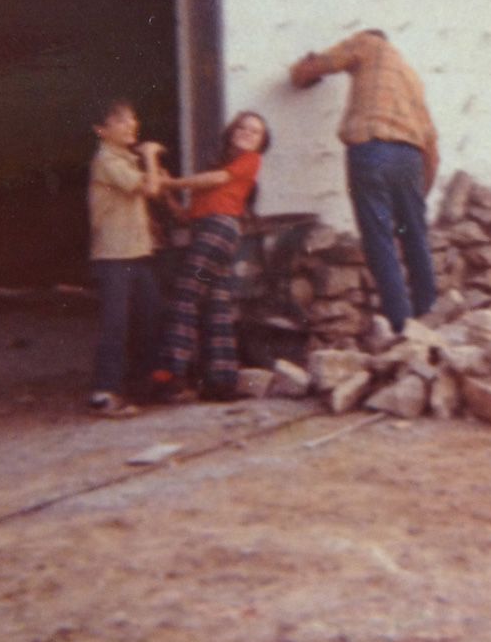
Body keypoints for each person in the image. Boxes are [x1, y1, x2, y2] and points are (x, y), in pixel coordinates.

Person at [289, 29, 438, 333]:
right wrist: (418, 196)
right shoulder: (412, 78)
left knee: (379, 239)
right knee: (414, 236)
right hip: (410, 159)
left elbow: (323, 63)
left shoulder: (368, 42)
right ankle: (429, 313)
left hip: (372, 150)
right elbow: (432, 149)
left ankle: (402, 326)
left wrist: (299, 74)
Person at [152, 110, 271, 401]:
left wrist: (171, 183)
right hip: (211, 238)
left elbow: (216, 179)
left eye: (254, 132)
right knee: (214, 297)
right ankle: (221, 381)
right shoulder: (219, 167)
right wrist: (167, 192)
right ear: (232, 131)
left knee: (186, 294)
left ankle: (170, 376)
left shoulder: (248, 161)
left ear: (260, 142)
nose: (246, 133)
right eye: (242, 127)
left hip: (216, 233)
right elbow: (184, 216)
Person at [87, 98, 165, 417]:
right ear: (101, 131)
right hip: (115, 255)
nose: (131, 125)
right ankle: (104, 392)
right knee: (115, 324)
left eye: (132, 119)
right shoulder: (107, 159)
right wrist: (150, 156)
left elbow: (149, 189)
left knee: (150, 315)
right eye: (120, 121)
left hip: (135, 252)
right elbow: (150, 190)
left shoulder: (124, 158)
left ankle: (141, 382)